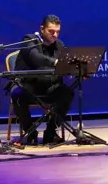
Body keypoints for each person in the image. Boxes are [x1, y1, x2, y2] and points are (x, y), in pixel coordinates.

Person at [10, 14, 75, 145]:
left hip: (50, 88)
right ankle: (30, 131)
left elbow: (66, 66)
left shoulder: (59, 45)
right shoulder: (29, 40)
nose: (55, 35)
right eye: (51, 31)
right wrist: (55, 62)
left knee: (67, 93)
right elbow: (36, 58)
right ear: (42, 29)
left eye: (57, 32)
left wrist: (79, 71)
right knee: (17, 94)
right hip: (29, 87)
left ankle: (50, 132)